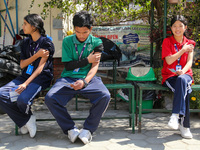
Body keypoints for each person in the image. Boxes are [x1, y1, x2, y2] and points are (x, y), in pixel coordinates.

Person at [45, 11, 110, 144]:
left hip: (89, 78)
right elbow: (68, 66)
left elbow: (94, 67)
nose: (81, 35)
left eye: (84, 32)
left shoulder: (97, 42)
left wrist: (84, 82)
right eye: (78, 32)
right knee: (50, 98)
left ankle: (88, 130)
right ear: (74, 29)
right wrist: (87, 59)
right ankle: (70, 129)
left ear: (90, 29)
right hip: (68, 78)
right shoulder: (67, 41)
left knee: (105, 95)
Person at [0, 14, 55, 138]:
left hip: (41, 78)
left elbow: (40, 68)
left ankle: (24, 121)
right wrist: (36, 55)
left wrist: (25, 84)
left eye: (25, 23)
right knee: (1, 94)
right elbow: (22, 64)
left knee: (22, 100)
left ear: (34, 27)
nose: (23, 26)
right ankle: (26, 119)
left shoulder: (46, 43)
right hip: (26, 75)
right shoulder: (25, 42)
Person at [161, 15, 195, 139]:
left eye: (180, 26)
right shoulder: (167, 42)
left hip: (185, 75)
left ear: (185, 28)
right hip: (170, 76)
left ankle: (175, 115)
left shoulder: (190, 43)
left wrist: (183, 72)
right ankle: (185, 126)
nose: (177, 28)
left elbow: (190, 62)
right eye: (174, 26)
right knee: (184, 90)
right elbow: (169, 61)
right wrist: (182, 50)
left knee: (182, 81)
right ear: (171, 28)